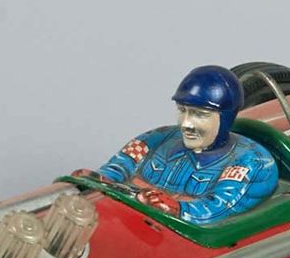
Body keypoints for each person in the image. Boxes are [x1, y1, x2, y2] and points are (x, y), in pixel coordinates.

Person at [88, 65, 278, 224]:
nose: (186, 124)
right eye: (182, 110)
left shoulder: (251, 162)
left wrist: (178, 209)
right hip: (124, 221)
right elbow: (122, 163)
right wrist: (99, 179)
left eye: (200, 115)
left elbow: (218, 207)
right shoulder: (158, 138)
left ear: (226, 118)